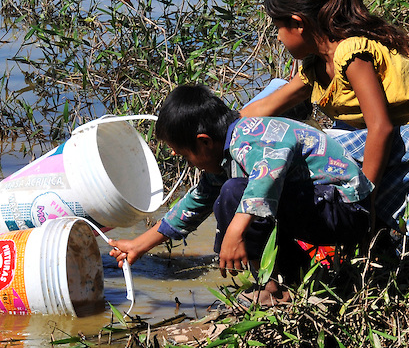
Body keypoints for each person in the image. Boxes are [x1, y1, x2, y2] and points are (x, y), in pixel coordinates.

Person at [242, 0, 409, 254]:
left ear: (297, 23)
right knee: (321, 147)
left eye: (278, 28)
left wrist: (363, 199)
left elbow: (381, 127)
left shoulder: (350, 51)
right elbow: (266, 106)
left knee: (315, 148)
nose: (278, 38)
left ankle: (360, 225)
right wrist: (224, 127)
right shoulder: (315, 66)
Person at [108, 84, 373, 305]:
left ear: (204, 141)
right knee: (228, 192)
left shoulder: (253, 138)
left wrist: (234, 232)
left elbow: (264, 180)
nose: (181, 158)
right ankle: (293, 275)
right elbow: (196, 202)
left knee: (234, 191)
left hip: (346, 211)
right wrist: (139, 245)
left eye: (185, 154)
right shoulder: (228, 148)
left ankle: (270, 289)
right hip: (321, 205)